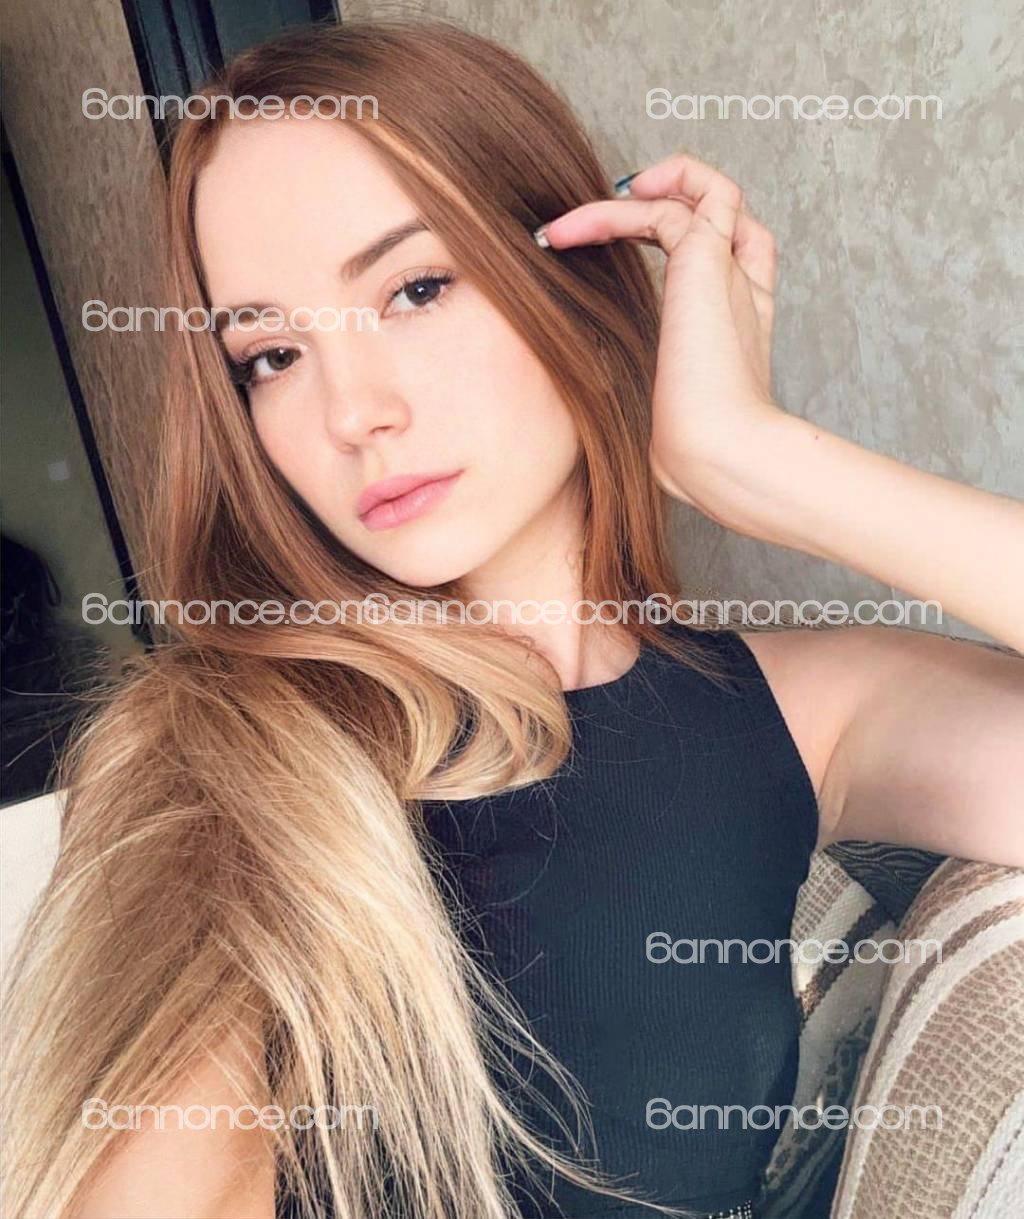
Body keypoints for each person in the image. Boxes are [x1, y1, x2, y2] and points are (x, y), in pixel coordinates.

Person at [2, 18, 1021, 1219]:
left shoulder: (799, 714)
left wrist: (751, 458)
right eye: (270, 355)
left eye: (415, 288)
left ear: (578, 279)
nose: (352, 412)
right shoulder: (220, 757)